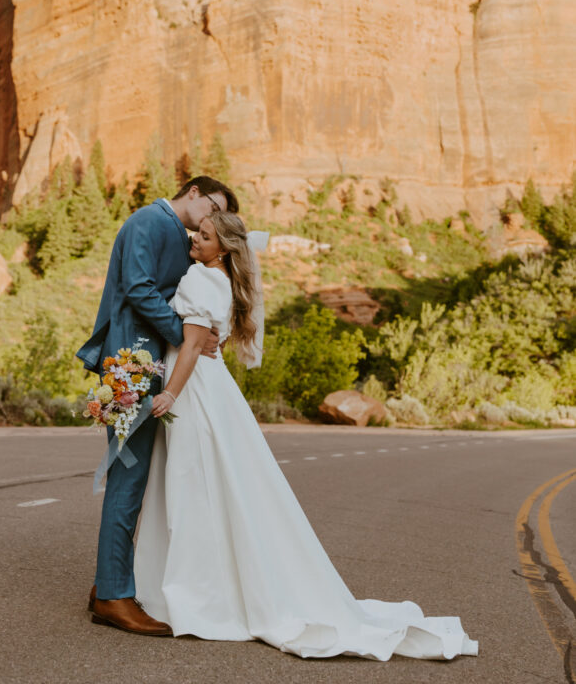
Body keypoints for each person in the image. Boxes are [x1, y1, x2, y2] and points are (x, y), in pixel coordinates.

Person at [133, 211, 479, 661]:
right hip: (214, 390)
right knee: (213, 487)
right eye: (197, 233)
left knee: (191, 484)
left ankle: (193, 590)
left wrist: (171, 395)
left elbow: (195, 344)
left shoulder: (201, 279)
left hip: (195, 391)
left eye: (204, 236)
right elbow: (201, 331)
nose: (194, 240)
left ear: (224, 249)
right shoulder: (217, 279)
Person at [76, 176, 239, 636]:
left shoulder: (175, 233)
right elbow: (138, 289)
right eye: (212, 206)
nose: (210, 219)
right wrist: (186, 335)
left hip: (150, 363)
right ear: (192, 192)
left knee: (138, 477)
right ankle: (112, 596)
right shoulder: (148, 221)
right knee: (128, 477)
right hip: (133, 363)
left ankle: (108, 583)